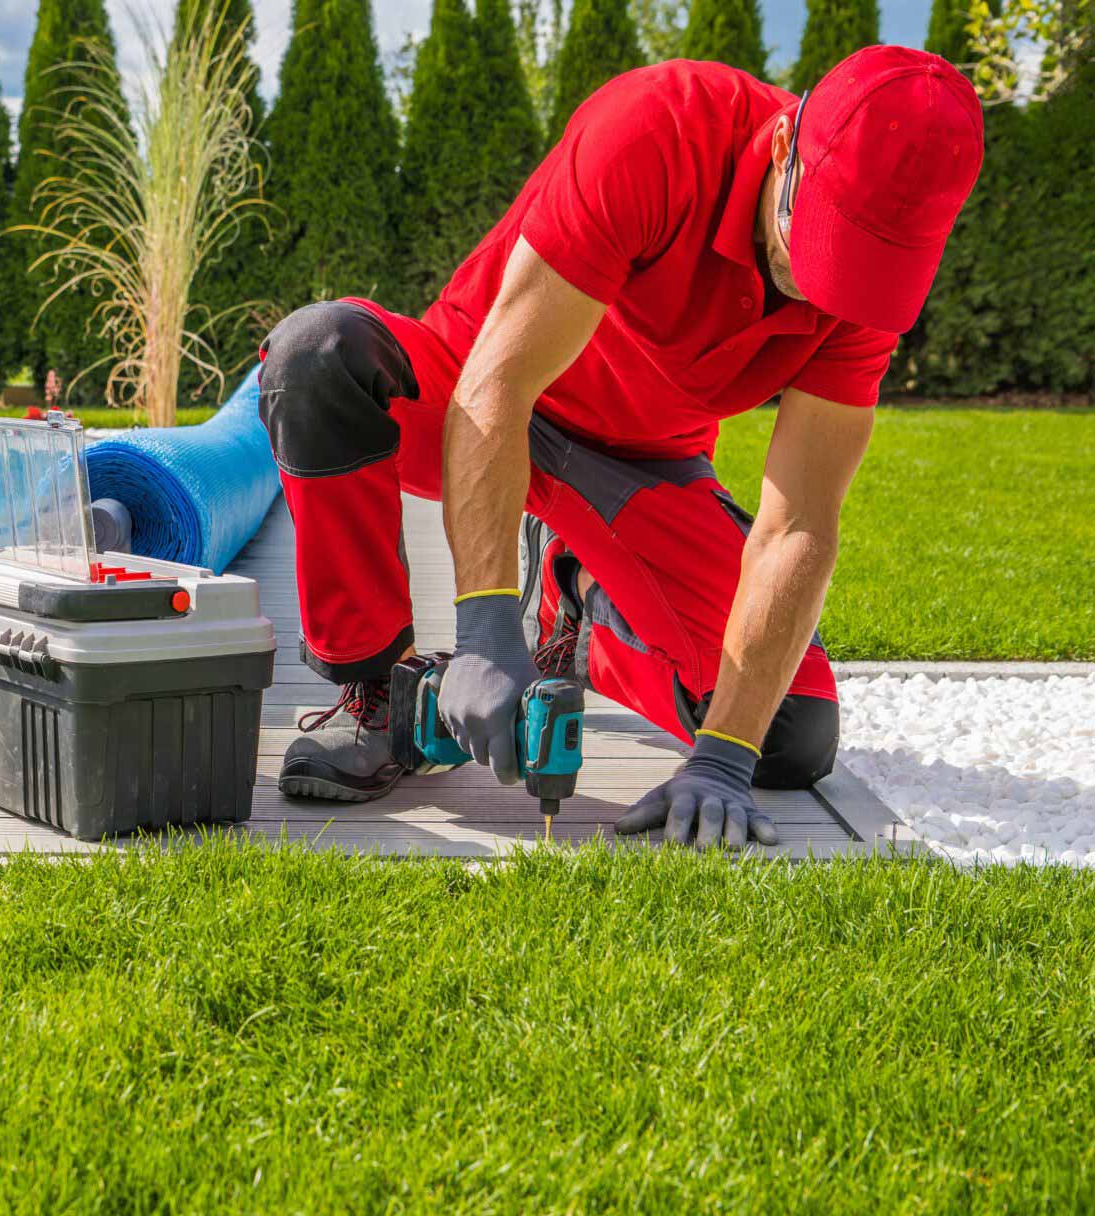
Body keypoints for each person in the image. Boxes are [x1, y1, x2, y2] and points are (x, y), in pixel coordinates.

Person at [262, 46, 984, 849]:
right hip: (477, 392)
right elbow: (498, 386)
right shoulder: (658, 129)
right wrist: (485, 629)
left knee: (787, 730)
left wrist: (723, 757)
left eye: (853, 268)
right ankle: (381, 691)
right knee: (317, 357)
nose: (820, 289)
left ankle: (577, 592)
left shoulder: (863, 299)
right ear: (784, 147)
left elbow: (800, 522)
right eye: (815, 242)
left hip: (636, 467)